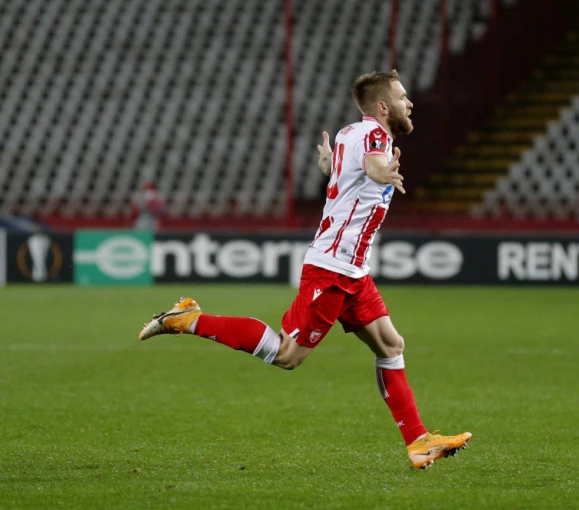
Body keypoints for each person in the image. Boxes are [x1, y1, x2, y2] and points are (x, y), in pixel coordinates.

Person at [138, 70, 471, 469]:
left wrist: (332, 167)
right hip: (333, 269)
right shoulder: (376, 138)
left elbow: (352, 170)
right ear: (383, 106)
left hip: (353, 270)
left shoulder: (349, 133)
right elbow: (373, 164)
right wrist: (381, 171)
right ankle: (189, 320)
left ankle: (418, 442)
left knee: (391, 345)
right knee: (287, 355)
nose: (410, 103)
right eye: (402, 97)